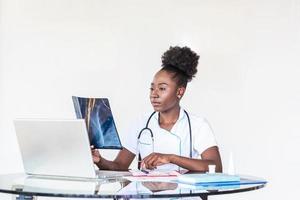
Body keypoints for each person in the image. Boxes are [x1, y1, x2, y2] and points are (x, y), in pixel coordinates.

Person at [92, 46, 222, 172]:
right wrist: (100, 160)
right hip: (147, 193)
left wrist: (171, 158)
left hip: (183, 194)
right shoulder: (141, 123)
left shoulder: (197, 125)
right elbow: (119, 165)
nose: (154, 94)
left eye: (162, 88)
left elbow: (216, 167)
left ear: (180, 92)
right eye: (152, 88)